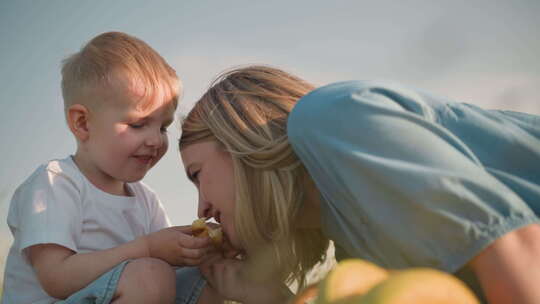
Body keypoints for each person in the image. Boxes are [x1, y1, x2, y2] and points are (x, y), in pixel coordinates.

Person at [179, 65, 540, 304]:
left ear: (239, 144)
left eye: (197, 175)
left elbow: (516, 247)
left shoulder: (330, 117)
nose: (202, 210)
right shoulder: (354, 243)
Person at [2, 32, 222, 304]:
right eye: (138, 125)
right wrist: (148, 247)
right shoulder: (56, 183)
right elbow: (55, 278)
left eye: (163, 127)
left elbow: (171, 271)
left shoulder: (145, 199)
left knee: (209, 277)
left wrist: (194, 249)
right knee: (149, 276)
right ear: (83, 123)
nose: (155, 140)